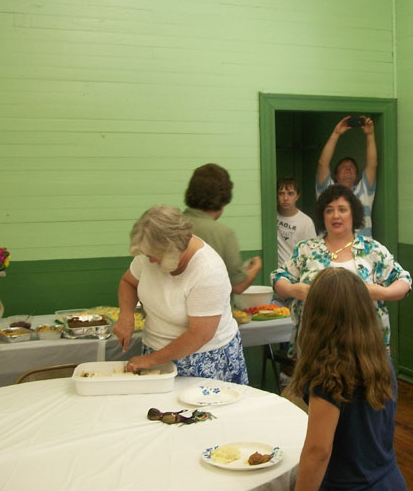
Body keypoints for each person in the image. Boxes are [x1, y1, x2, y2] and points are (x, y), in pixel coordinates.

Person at [287, 267, 408, 491]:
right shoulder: (379, 359)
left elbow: (318, 452)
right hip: (388, 479)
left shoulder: (329, 375)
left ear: (316, 315)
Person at [272, 184, 411, 359]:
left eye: (342, 209)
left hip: (365, 344)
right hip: (315, 343)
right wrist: (294, 290)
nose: (335, 215)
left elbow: (404, 280)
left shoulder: (372, 249)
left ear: (354, 214)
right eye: (329, 210)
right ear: (323, 216)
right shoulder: (306, 249)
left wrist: (382, 292)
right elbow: (278, 278)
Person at [113, 204, 249, 383]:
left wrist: (150, 360)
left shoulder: (208, 270)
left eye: (154, 256)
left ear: (174, 250)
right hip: (154, 351)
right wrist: (126, 315)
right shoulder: (150, 252)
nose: (150, 261)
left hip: (203, 359)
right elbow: (128, 282)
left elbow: (199, 335)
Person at [183, 163, 262, 294]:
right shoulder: (223, 234)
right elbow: (238, 286)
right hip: (210, 311)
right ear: (223, 199)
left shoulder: (169, 225)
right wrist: (256, 267)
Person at [316, 115, 377, 237]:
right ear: (336, 175)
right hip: (330, 251)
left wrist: (370, 135)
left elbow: (372, 164)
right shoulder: (327, 191)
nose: (348, 168)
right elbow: (322, 164)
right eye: (344, 166)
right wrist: (336, 133)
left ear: (357, 175)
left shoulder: (364, 190)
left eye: (352, 167)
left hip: (362, 252)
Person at [277, 177, 316, 266]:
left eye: (290, 194)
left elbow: (311, 252)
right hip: (274, 270)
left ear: (297, 196)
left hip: (295, 272)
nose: (285, 198)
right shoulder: (270, 216)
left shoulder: (306, 222)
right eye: (281, 194)